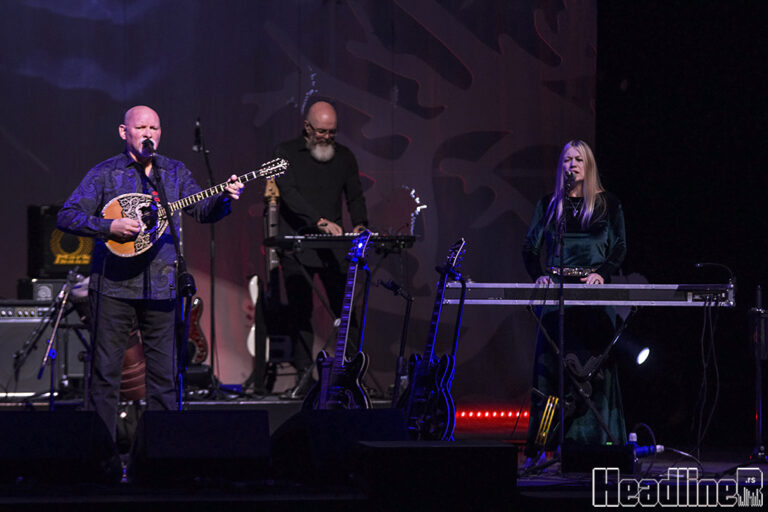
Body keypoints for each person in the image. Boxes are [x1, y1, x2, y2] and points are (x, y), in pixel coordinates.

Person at [57, 105, 243, 441]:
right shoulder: (105, 173)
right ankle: (102, 456)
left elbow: (202, 209)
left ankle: (162, 454)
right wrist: (108, 225)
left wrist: (224, 199)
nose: (148, 134)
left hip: (162, 287)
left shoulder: (173, 172)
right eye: (141, 127)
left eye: (154, 128)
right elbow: (67, 216)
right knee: (105, 375)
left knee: (164, 378)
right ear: (123, 132)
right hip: (113, 285)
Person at [521, 139, 627, 464]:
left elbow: (619, 246)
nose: (572, 165)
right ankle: (543, 448)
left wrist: (603, 274)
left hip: (594, 296)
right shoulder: (550, 205)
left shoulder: (609, 204)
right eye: (567, 160)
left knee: (596, 372)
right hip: (558, 297)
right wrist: (539, 275)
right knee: (551, 371)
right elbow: (529, 247)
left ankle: (601, 447)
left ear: (589, 165)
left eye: (579, 160)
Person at [272, 100, 368, 398]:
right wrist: (318, 221)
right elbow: (288, 194)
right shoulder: (285, 153)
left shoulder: (345, 157)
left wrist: (362, 224)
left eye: (332, 133)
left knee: (346, 308)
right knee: (301, 310)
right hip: (298, 245)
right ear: (307, 128)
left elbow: (354, 196)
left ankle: (351, 372)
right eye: (322, 132)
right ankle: (304, 376)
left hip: (334, 246)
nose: (327, 137)